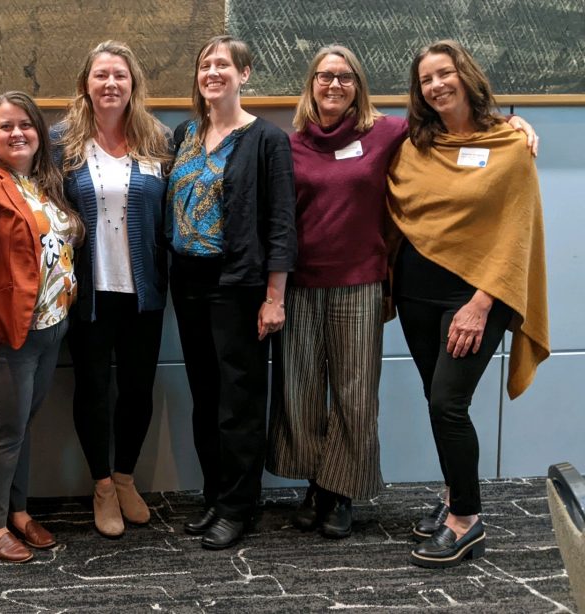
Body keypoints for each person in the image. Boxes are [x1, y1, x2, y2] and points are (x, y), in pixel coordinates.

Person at [266, 45, 540, 541]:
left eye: (345, 77)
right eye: (324, 76)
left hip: (380, 285)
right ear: (310, 85)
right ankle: (320, 486)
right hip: (336, 285)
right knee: (302, 393)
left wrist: (516, 124)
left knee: (368, 398)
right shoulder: (299, 144)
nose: (334, 85)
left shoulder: (389, 133)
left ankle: (359, 495)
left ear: (359, 87)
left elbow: (476, 140)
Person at [387, 40, 549, 568]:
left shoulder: (509, 143)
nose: (436, 85)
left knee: (447, 404)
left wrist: (480, 304)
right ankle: (456, 496)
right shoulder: (416, 143)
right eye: (426, 79)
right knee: (442, 403)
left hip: (478, 296)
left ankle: (468, 520)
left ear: (465, 75)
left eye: (445, 73)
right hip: (416, 292)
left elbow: (515, 233)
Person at [167, 35, 296, 550]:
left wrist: (275, 296)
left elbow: (282, 225)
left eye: (223, 64)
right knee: (204, 395)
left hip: (238, 284)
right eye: (205, 65)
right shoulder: (184, 134)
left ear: (244, 74)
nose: (212, 72)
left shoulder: (267, 140)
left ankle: (240, 506)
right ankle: (216, 495)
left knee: (238, 400)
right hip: (187, 281)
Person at [0, 91, 84, 562]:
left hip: (49, 328)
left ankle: (18, 511)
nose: (17, 133)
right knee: (1, 430)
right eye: (6, 126)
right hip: (3, 333)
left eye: (26, 125)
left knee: (21, 426)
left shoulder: (41, 180)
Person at [52, 41, 171, 538]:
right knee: (94, 390)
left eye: (120, 75)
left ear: (132, 83)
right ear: (86, 83)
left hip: (143, 290)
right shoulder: (61, 140)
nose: (110, 84)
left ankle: (125, 477)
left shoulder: (156, 137)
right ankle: (101, 485)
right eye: (101, 75)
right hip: (90, 292)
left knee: (139, 390)